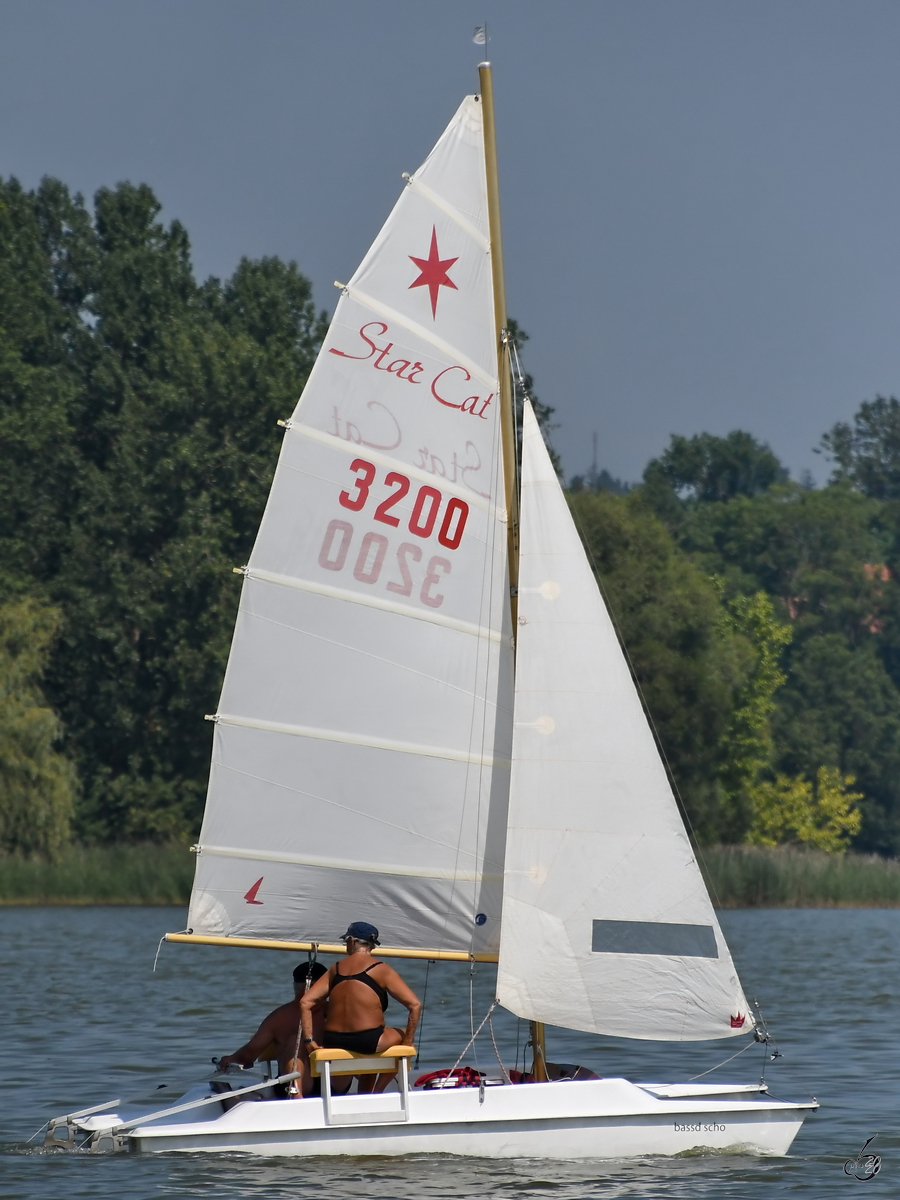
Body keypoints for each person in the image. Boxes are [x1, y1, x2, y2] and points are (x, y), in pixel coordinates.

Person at [300, 921, 421, 1094]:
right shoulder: (381, 969)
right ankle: (377, 1092)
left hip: (333, 1040)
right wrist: (408, 1042)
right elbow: (414, 1005)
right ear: (371, 945)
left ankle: (365, 1094)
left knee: (371, 1054)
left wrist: (309, 1041)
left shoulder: (336, 968)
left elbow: (305, 1002)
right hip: (368, 1040)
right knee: (403, 1036)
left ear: (351, 941)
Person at [218, 961, 327, 1097]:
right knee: (295, 1041)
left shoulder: (335, 1012)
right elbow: (249, 1054)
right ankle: (296, 1096)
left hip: (332, 1083)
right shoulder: (281, 1018)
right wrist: (231, 1059)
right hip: (296, 1087)